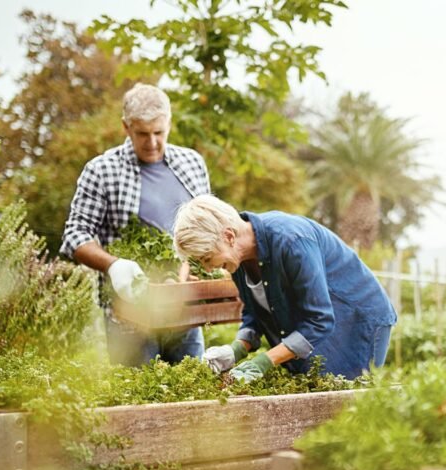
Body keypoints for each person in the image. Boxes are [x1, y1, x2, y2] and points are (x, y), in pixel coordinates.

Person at [60, 83, 211, 366]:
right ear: (125, 127)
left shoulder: (192, 164)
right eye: (142, 133)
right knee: (139, 399)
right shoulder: (102, 170)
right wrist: (113, 265)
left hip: (185, 311)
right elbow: (74, 235)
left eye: (159, 133)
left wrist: (193, 268)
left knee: (192, 395)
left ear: (169, 124)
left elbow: (205, 230)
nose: (152, 142)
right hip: (129, 316)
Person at [172, 195, 396, 382]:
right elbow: (254, 314)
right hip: (322, 325)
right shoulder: (237, 260)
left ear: (229, 236)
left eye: (207, 258)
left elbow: (319, 320)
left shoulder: (291, 240)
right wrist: (235, 350)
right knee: (315, 396)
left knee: (345, 403)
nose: (208, 269)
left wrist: (263, 362)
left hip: (356, 320)